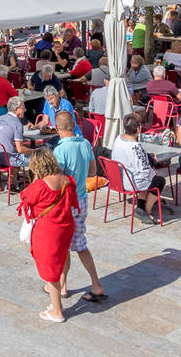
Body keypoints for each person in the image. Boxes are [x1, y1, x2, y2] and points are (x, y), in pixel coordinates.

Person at [18, 148, 78, 323]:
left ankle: (57, 311)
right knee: (62, 256)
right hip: (66, 226)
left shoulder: (41, 185)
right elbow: (73, 201)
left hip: (48, 231)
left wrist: (36, 180)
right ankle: (63, 285)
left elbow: (25, 198)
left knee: (50, 269)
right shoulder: (67, 180)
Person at [53, 111, 107, 302]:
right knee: (72, 244)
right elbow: (93, 171)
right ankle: (69, 285)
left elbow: (56, 181)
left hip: (67, 202)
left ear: (57, 127)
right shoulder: (85, 143)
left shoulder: (60, 150)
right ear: (74, 124)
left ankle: (77, 285)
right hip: (82, 199)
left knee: (70, 245)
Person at [111, 112, 167, 224]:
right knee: (159, 180)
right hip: (131, 183)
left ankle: (141, 204)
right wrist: (154, 172)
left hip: (118, 179)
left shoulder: (118, 138)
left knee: (145, 175)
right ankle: (145, 210)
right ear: (138, 129)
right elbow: (146, 173)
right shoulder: (135, 147)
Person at [0, 96, 32, 176]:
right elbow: (20, 149)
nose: (25, 110)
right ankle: (34, 183)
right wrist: (34, 152)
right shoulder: (17, 124)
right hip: (10, 160)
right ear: (16, 109)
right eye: (23, 107)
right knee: (38, 159)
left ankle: (8, 181)